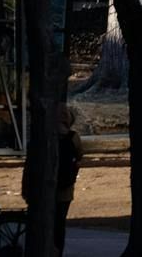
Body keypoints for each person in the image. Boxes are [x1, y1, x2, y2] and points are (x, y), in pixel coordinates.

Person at [53, 106, 84, 253]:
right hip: (65, 188)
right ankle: (58, 250)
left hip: (45, 189)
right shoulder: (73, 137)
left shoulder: (46, 136)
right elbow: (79, 156)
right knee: (60, 224)